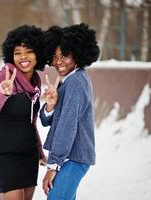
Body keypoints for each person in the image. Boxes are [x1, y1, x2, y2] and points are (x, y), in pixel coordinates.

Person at [0, 25, 46, 200]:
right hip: (5, 154)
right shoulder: (5, 76)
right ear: (11, 55)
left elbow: (31, 121)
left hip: (29, 154)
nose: (23, 57)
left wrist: (39, 150)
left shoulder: (36, 81)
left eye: (29, 51)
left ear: (38, 54)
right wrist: (2, 94)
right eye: (17, 52)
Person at [40, 23, 100, 199]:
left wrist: (53, 166)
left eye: (64, 56)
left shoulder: (76, 83)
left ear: (77, 54)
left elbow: (67, 126)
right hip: (67, 158)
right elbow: (46, 121)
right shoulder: (68, 81)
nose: (58, 62)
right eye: (55, 56)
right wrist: (50, 106)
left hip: (73, 159)